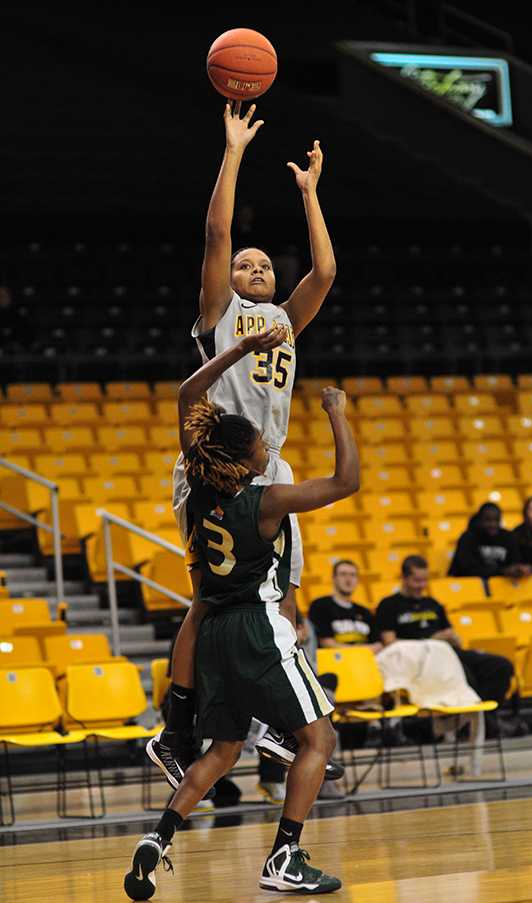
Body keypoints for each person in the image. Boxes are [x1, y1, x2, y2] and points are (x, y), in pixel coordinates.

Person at [124, 343, 358, 899]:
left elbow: (186, 396)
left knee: (224, 750)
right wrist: (337, 415)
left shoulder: (201, 487)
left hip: (214, 632)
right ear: (249, 458)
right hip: (257, 624)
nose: (264, 445)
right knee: (320, 740)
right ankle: (285, 855)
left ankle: (158, 839)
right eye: (258, 442)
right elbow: (346, 481)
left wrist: (242, 350)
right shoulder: (266, 500)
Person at [151, 99, 336, 786]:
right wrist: (233, 151)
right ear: (227, 283)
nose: (254, 268)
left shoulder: (286, 321)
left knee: (284, 596)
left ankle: (277, 722)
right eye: (245, 265)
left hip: (268, 469)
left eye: (263, 264)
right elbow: (216, 231)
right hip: (214, 468)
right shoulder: (219, 314)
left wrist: (311, 196)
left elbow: (325, 276)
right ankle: (176, 724)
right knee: (211, 597)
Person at [375, 555, 520, 735]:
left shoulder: (433, 604)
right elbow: (390, 643)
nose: (421, 586)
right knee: (465, 676)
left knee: (501, 666)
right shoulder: (389, 605)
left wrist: (452, 637)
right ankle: (481, 724)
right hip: (420, 661)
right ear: (404, 578)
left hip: (449, 652)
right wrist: (432, 640)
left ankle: (479, 720)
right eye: (416, 580)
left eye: (424, 580)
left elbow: (453, 636)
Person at [309, 559, 380, 649]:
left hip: (365, 660)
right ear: (334, 578)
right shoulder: (320, 606)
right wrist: (360, 651)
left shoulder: (365, 612)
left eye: (352, 575)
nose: (348, 579)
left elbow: (378, 645)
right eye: (343, 574)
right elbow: (326, 643)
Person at [448, 502, 529, 580]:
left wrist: (519, 569)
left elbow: (515, 560)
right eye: (488, 520)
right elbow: (467, 570)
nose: (493, 524)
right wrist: (502, 571)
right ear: (479, 520)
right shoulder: (468, 538)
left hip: (501, 585)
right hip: (471, 586)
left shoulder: (508, 537)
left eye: (496, 520)